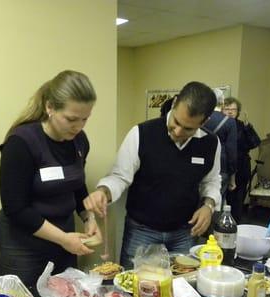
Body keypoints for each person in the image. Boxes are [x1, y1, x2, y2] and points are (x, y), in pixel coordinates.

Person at [84, 81, 222, 268]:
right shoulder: (141, 133)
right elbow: (119, 176)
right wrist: (103, 191)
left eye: (188, 128)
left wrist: (209, 205)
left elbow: (212, 181)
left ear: (204, 121)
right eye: (176, 122)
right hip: (142, 231)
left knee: (180, 287)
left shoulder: (211, 144)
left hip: (184, 232)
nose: (178, 132)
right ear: (173, 104)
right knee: (134, 286)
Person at [0, 70, 101, 289]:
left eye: (85, 119)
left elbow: (77, 185)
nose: (78, 127)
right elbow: (16, 208)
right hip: (23, 242)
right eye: (71, 119)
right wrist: (63, 239)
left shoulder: (79, 141)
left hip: (64, 237)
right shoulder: (21, 143)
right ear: (50, 107)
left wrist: (88, 217)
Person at [222, 97, 261, 223]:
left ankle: (235, 226)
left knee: (237, 201)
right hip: (223, 166)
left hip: (241, 166)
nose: (230, 112)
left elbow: (255, 143)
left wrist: (248, 127)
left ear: (238, 111)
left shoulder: (242, 126)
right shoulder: (219, 125)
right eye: (227, 109)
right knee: (220, 198)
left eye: (233, 109)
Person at [202, 88, 237, 202]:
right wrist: (232, 177)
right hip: (221, 165)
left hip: (200, 161)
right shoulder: (230, 122)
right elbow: (231, 151)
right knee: (217, 200)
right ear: (222, 103)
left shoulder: (201, 117)